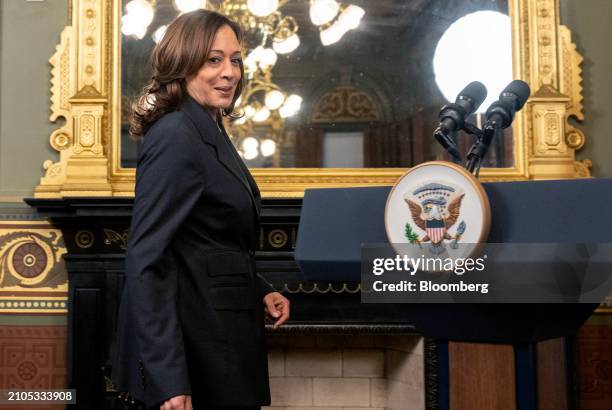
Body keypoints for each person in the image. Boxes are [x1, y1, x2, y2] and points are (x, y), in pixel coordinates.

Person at [111, 9, 290, 410]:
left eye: (236, 59)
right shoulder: (177, 134)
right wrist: (169, 379)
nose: (230, 72)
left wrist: (259, 289)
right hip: (195, 352)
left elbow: (205, 241)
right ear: (183, 63)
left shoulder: (208, 129)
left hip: (219, 337)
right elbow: (147, 258)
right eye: (213, 59)